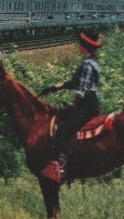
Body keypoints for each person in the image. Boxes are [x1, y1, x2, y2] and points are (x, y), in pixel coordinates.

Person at [38, 28, 102, 182]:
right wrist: (56, 87)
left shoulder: (87, 64)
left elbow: (82, 88)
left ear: (84, 46)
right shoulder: (91, 61)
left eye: (80, 43)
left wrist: (74, 105)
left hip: (87, 101)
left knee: (64, 128)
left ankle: (60, 165)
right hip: (91, 100)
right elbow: (74, 83)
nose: (78, 45)